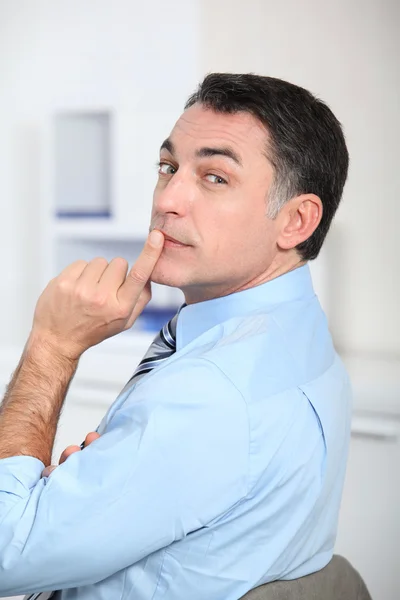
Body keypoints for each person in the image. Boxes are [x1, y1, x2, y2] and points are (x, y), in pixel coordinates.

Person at [0, 73, 351, 600]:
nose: (169, 199)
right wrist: (98, 485)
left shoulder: (211, 393)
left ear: (297, 221)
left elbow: (5, 555)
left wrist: (52, 344)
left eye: (215, 178)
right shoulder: (294, 331)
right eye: (168, 168)